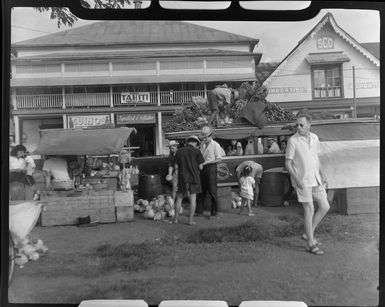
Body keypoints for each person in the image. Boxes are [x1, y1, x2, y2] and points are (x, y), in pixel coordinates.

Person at [285, 113, 330, 255]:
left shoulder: (315, 138)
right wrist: (296, 179)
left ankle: (307, 233)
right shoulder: (293, 141)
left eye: (301, 125)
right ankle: (310, 243)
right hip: (302, 181)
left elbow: (316, 158)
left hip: (316, 178)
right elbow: (287, 163)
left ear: (309, 125)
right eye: (297, 125)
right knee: (309, 210)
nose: (298, 127)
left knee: (324, 206)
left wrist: (323, 174)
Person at [174, 135, 204, 225]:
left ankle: (176, 219)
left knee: (179, 198)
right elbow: (201, 167)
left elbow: (176, 166)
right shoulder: (197, 151)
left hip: (183, 178)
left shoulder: (179, 151)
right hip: (194, 178)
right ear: (195, 142)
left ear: (188, 142)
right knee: (193, 200)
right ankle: (190, 221)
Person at [196, 126, 225, 219]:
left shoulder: (215, 145)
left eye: (206, 137)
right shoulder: (202, 144)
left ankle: (214, 213)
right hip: (203, 168)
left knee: (212, 191)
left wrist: (208, 162)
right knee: (201, 191)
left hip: (211, 168)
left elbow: (219, 159)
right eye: (204, 137)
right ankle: (199, 211)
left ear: (210, 136)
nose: (205, 139)